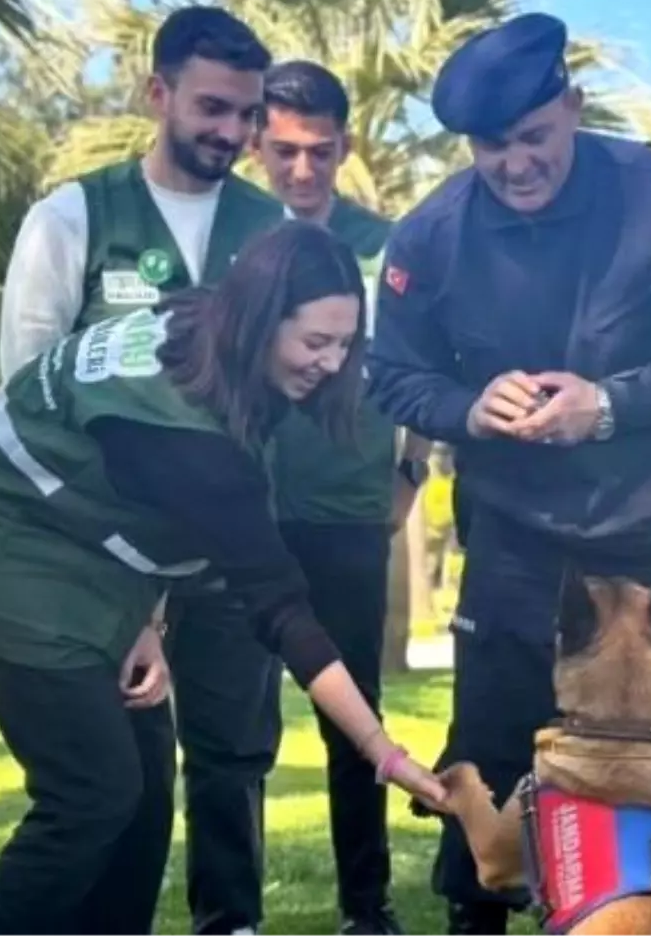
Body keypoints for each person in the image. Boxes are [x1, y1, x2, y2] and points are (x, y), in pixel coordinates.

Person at [366, 12, 651, 936]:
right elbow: (392, 373)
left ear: (572, 107)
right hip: (519, 535)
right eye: (492, 148)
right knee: (491, 745)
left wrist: (607, 405)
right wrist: (466, 406)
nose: (515, 163)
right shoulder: (430, 238)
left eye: (534, 137)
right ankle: (474, 920)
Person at [0, 220, 447, 936]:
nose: (332, 363)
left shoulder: (204, 319)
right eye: (315, 342)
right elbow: (284, 612)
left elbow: (137, 499)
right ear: (260, 321)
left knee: (142, 795)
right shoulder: (191, 439)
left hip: (74, 540)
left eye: (345, 343)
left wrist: (148, 617)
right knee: (91, 793)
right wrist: (383, 752)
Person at [0, 6, 293, 934]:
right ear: (157, 93)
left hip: (228, 548)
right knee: (121, 789)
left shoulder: (271, 227)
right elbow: (25, 405)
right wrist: (129, 599)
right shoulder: (71, 218)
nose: (233, 134)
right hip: (104, 560)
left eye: (248, 115)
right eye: (212, 107)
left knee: (236, 755)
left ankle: (230, 924)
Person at [251, 59, 431, 936]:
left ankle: (368, 909)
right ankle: (229, 913)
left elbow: (430, 367)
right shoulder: (234, 239)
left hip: (350, 517)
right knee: (234, 726)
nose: (301, 172)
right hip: (241, 514)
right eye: (283, 151)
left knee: (352, 714)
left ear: (344, 147)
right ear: (256, 143)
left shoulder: (391, 245)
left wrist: (410, 474)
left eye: (319, 153)